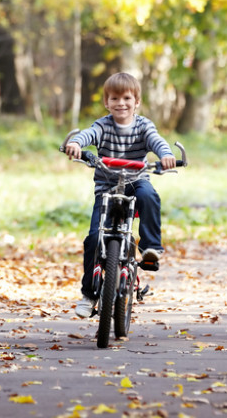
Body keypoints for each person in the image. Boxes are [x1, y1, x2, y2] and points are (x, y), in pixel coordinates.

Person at [63, 72, 176, 318]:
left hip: (136, 182)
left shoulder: (144, 125)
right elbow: (88, 134)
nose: (121, 103)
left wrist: (165, 155)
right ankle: (88, 294)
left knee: (149, 195)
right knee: (94, 239)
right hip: (107, 187)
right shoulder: (103, 125)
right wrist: (77, 145)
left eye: (127, 98)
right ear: (107, 102)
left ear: (137, 101)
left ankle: (151, 248)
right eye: (114, 98)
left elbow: (156, 141)